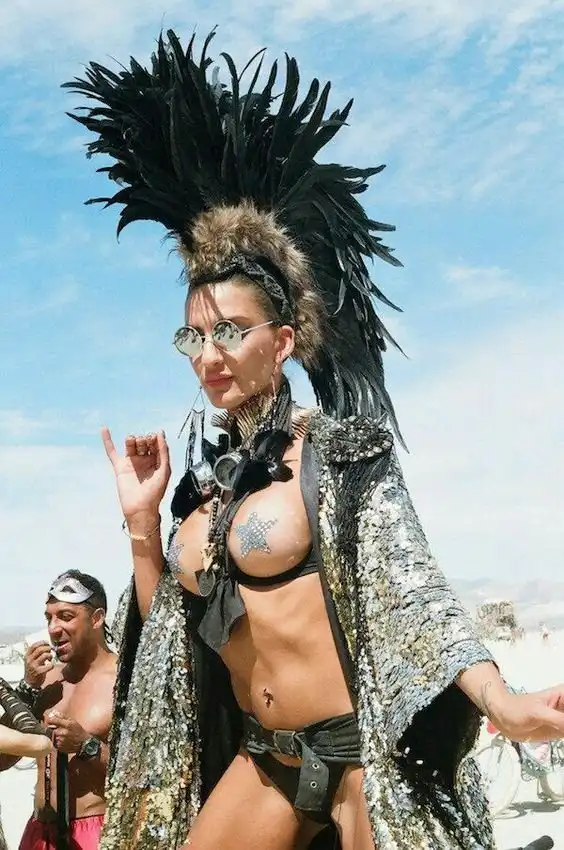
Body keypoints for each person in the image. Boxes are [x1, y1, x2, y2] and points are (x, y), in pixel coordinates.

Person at [65, 29, 564, 850]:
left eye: (231, 331)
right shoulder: (202, 492)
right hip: (263, 760)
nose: (210, 356)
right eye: (194, 337)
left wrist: (502, 703)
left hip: (357, 755)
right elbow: (167, 649)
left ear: (285, 341)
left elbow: (416, 597)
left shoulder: (342, 453)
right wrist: (143, 522)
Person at [0, 572, 116, 850]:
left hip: (95, 834)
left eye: (65, 616)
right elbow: (2, 760)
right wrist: (27, 688)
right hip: (38, 833)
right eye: (48, 618)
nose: (53, 628)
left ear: (97, 618)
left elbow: (145, 776)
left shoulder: (123, 681)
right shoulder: (46, 681)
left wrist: (86, 745)